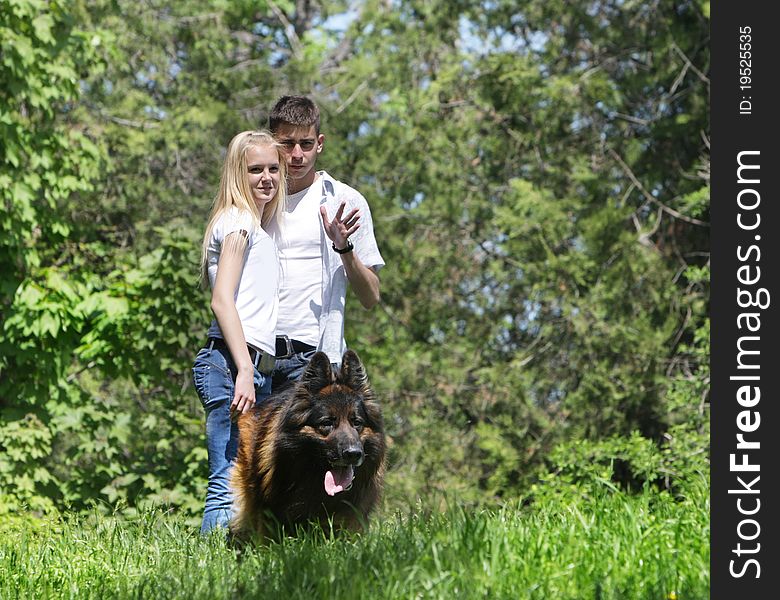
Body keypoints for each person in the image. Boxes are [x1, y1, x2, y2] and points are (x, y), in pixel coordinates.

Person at [191, 130, 286, 533]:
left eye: (273, 169)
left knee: (243, 482)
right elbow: (221, 300)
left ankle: (233, 564)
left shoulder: (257, 228)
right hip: (232, 363)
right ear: (236, 173)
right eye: (254, 170)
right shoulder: (239, 220)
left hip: (248, 364)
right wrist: (246, 370)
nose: (266, 177)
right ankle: (208, 570)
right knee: (226, 480)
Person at [265, 95, 384, 387]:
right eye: (287, 143)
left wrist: (344, 248)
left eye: (305, 144)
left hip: (314, 361)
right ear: (272, 142)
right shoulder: (257, 198)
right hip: (255, 355)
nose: (296, 154)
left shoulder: (343, 201)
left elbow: (371, 297)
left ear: (319, 143)